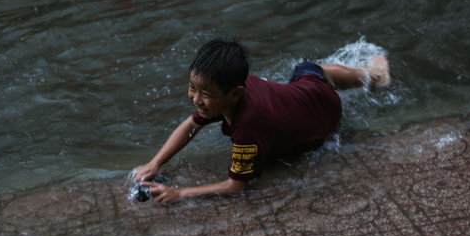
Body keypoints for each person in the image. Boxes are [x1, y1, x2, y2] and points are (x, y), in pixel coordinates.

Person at [133, 37, 390, 204]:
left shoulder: (247, 128)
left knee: (312, 77)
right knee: (308, 68)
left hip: (324, 123)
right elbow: (191, 126)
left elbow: (236, 186)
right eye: (192, 88)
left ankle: (375, 76)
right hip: (310, 94)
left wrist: (180, 193)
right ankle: (370, 76)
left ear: (235, 94)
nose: (195, 99)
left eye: (205, 94)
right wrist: (156, 162)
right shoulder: (236, 89)